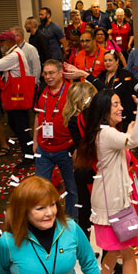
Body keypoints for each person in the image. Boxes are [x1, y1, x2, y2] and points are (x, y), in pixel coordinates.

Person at [74, 86, 138, 274]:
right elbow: (136, 140)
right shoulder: (107, 134)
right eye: (115, 104)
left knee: (110, 254)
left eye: (121, 103)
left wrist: (127, 130)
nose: (120, 108)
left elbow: (126, 143)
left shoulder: (102, 132)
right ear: (103, 110)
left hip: (105, 204)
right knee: (127, 255)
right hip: (116, 205)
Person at [0, 176, 107, 274]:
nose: (49, 213)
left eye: (52, 205)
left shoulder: (71, 228)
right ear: (23, 211)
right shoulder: (8, 242)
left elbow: (89, 262)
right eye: (40, 208)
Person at [0, 30, 34, 169]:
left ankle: (29, 156)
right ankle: (28, 153)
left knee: (22, 128)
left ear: (9, 42)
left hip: (18, 99)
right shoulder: (13, 54)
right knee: (16, 125)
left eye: (1, 41)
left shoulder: (14, 56)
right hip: (15, 98)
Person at [33, 59, 79, 219]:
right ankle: (45, 219)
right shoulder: (42, 91)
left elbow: (78, 120)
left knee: (72, 189)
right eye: (45, 73)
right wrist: (34, 140)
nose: (48, 76)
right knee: (40, 189)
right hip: (43, 149)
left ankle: (71, 221)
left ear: (61, 73)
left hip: (65, 148)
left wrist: (78, 148)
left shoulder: (71, 91)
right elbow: (38, 116)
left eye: (51, 73)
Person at [62, 82, 98, 236]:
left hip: (81, 168)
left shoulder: (71, 119)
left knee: (84, 210)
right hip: (91, 168)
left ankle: (86, 249)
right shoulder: (86, 120)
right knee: (94, 210)